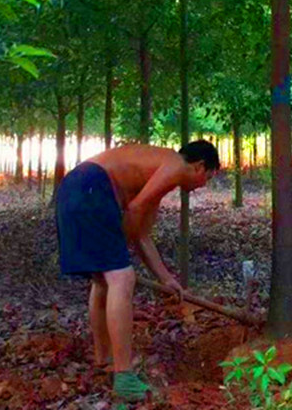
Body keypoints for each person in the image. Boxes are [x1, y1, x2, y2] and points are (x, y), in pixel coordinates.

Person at [55, 140, 220, 401]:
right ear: (199, 166)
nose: (204, 185)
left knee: (103, 279)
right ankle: (124, 376)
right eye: (208, 177)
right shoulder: (176, 166)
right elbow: (135, 209)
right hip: (93, 187)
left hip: (73, 186)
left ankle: (104, 359)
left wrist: (166, 278)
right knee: (121, 278)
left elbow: (142, 235)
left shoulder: (157, 170)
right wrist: (121, 249)